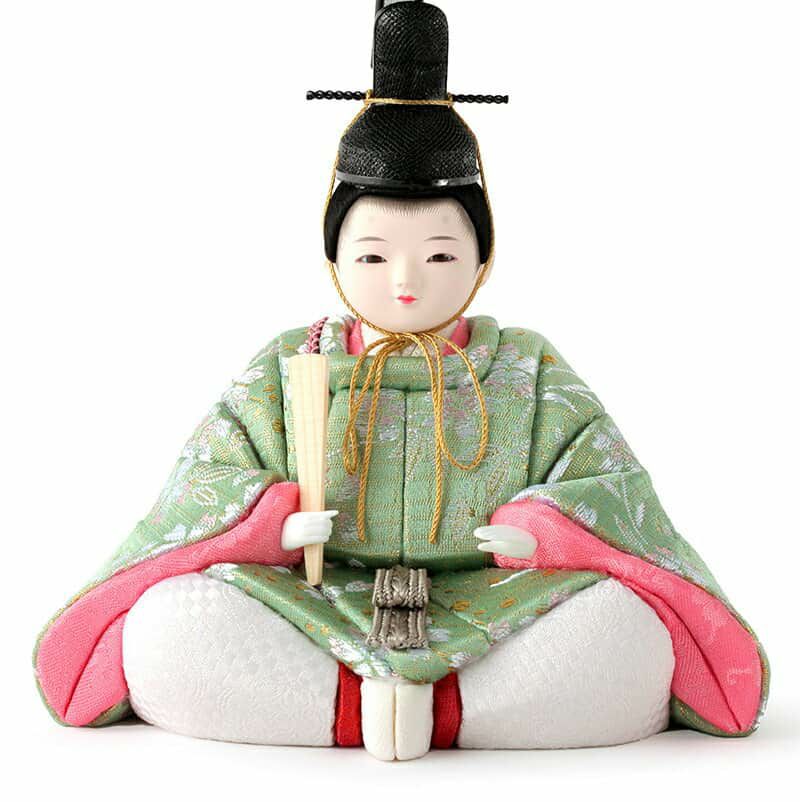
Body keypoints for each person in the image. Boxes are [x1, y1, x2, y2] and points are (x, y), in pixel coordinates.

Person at [34, 1, 767, 761]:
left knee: (623, 625)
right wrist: (266, 525)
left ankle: (436, 707)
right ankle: (364, 705)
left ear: (482, 257)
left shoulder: (527, 367)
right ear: (335, 256)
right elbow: (203, 483)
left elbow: (612, 489)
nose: (407, 282)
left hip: (498, 603)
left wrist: (548, 530)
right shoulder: (292, 363)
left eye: (441, 255)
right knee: (171, 623)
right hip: (314, 599)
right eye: (374, 256)